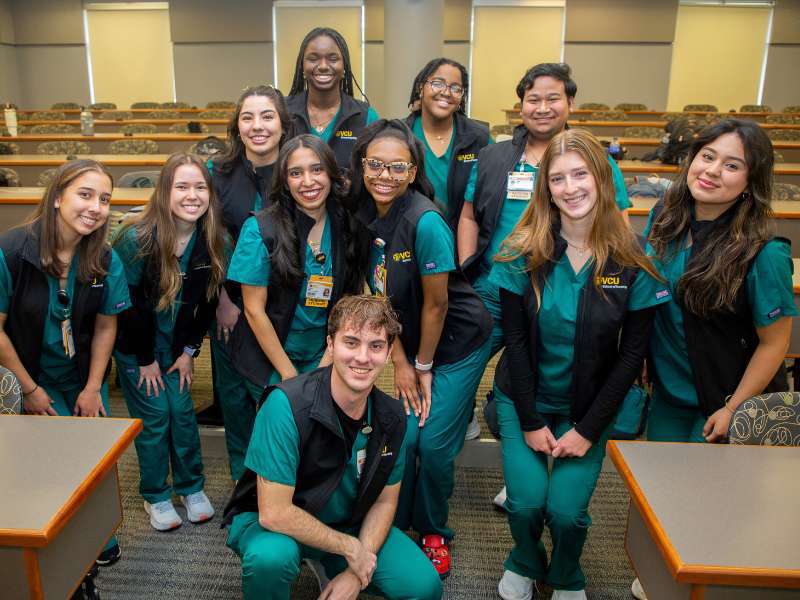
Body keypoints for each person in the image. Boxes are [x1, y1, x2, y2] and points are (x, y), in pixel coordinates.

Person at [489, 129, 670, 600]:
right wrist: (528, 420)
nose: (569, 188)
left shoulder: (634, 258)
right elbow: (513, 340)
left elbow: (632, 356)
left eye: (580, 174)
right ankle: (524, 560)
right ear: (545, 187)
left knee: (568, 512)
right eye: (557, 179)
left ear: (603, 179)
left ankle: (566, 572)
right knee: (527, 505)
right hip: (524, 398)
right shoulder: (522, 249)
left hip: (589, 407)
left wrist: (588, 429)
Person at [630, 119, 796, 600]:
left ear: (750, 182)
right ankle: (667, 577)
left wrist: (735, 408)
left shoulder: (762, 253)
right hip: (668, 389)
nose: (712, 171)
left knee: (714, 510)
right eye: (707, 156)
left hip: (724, 396)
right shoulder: (667, 216)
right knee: (661, 496)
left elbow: (774, 344)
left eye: (732, 165)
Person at [457, 62, 632, 505]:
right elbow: (469, 215)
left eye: (553, 97)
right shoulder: (497, 156)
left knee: (550, 376)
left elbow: (619, 226)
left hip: (558, 290)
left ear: (570, 103)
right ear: (520, 107)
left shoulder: (592, 159)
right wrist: (465, 272)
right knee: (462, 377)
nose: (542, 106)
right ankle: (474, 437)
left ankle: (524, 471)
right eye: (532, 99)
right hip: (496, 287)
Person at [222, 294, 442, 600]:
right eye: (351, 342)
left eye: (376, 346)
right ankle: (320, 556)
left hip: (346, 521)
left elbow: (384, 503)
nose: (363, 357)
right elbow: (273, 513)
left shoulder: (392, 418)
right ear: (330, 345)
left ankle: (329, 561)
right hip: (276, 523)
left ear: (390, 352)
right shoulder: (286, 405)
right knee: (270, 560)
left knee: (423, 586)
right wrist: (351, 549)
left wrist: (356, 570)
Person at [348, 119, 493, 578]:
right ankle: (398, 519)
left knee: (431, 446)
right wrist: (399, 360)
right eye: (375, 164)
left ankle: (433, 531)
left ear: (412, 172)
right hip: (412, 343)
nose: (384, 174)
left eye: (397, 167)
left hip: (457, 342)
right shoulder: (365, 214)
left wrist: (420, 365)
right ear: (363, 166)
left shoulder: (425, 221)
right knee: (404, 437)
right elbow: (378, 296)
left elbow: (437, 303)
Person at [0, 159, 131, 570]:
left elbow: (107, 325)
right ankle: (50, 545)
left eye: (105, 199)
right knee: (42, 465)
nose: (96, 207)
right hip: (27, 374)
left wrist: (94, 388)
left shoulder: (104, 258)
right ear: (58, 198)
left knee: (95, 458)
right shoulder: (12, 251)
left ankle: (97, 538)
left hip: (79, 377)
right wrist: (29, 390)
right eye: (85, 194)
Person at [113, 153, 227, 531]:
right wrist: (145, 360)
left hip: (178, 347)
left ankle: (190, 487)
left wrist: (190, 352)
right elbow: (126, 309)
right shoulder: (136, 239)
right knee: (156, 416)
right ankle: (156, 494)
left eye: (200, 187)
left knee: (181, 413)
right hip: (137, 347)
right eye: (181, 186)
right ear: (164, 192)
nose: (192, 195)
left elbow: (209, 302)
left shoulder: (214, 239)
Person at [226, 134, 368, 404]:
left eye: (317, 169)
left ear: (331, 173)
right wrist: (288, 374)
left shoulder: (347, 224)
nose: (308, 181)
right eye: (295, 173)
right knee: (282, 425)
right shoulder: (260, 229)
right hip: (271, 353)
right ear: (285, 181)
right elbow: (254, 311)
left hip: (324, 349)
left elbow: (349, 299)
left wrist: (325, 364)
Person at [205, 84, 292, 479]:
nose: (258, 126)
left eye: (267, 116)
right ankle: (244, 481)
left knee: (279, 394)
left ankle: (279, 477)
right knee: (235, 396)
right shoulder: (217, 174)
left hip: (285, 305)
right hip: (232, 305)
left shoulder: (298, 169)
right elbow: (208, 243)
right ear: (237, 127)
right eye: (247, 117)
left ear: (283, 123)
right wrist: (222, 299)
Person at [405, 57, 492, 232]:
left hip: (462, 241)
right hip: (408, 241)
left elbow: (493, 190)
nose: (446, 92)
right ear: (421, 88)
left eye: (455, 88)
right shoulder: (401, 134)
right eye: (438, 83)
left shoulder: (479, 138)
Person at [286, 27, 379, 169]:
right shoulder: (282, 112)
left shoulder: (366, 116)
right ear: (302, 67)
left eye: (333, 59)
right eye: (313, 59)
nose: (323, 66)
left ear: (344, 68)